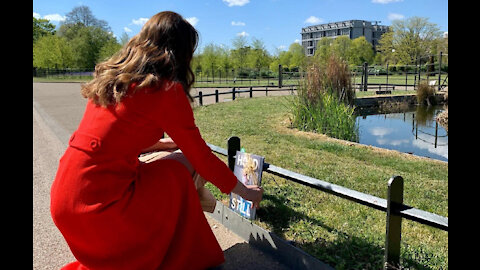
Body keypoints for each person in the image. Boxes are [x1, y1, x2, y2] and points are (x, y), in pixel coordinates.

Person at [50, 11, 263, 270]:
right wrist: (245, 192)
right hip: (102, 209)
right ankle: (183, 234)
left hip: (66, 200)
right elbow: (202, 159)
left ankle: (186, 214)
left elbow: (110, 140)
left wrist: (164, 145)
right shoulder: (166, 90)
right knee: (181, 166)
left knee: (168, 161)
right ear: (181, 52)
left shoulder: (113, 82)